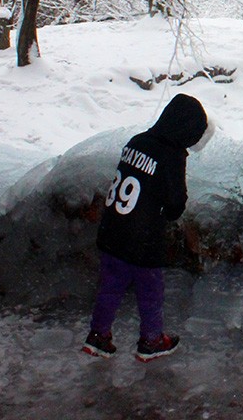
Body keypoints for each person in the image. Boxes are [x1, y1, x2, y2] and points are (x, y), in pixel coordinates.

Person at [82, 93, 214, 361]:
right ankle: (152, 340)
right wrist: (170, 211)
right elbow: (176, 202)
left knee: (111, 285)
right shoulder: (172, 154)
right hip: (142, 238)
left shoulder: (138, 141)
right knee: (150, 289)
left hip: (112, 228)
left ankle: (98, 336)